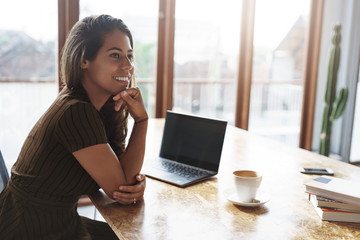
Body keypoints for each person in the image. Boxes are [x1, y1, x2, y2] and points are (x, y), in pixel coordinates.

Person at [0, 14, 148, 239]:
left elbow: (123, 177)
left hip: (53, 220)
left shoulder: (90, 105)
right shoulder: (77, 111)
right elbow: (120, 187)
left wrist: (133, 185)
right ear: (83, 60)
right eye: (115, 55)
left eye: (129, 56)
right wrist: (142, 121)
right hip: (30, 229)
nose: (128, 66)